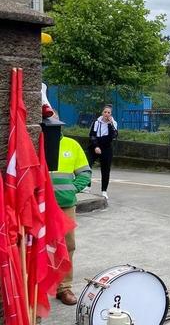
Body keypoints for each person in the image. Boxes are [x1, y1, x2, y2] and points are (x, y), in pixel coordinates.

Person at [52, 127, 93, 305]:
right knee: (37, 245)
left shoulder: (71, 145)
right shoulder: (34, 143)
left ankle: (64, 288)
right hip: (38, 206)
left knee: (68, 245)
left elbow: (85, 173)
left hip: (65, 205)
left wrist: (72, 189)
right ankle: (35, 289)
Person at [88, 104, 117, 200]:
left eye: (109, 112)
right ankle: (87, 186)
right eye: (105, 112)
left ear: (111, 114)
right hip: (95, 145)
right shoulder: (96, 122)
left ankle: (104, 190)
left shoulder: (113, 123)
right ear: (102, 113)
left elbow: (113, 136)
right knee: (87, 164)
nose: (107, 114)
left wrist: (109, 124)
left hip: (106, 147)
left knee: (105, 169)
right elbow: (92, 135)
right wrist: (96, 146)